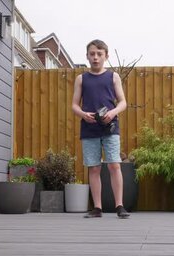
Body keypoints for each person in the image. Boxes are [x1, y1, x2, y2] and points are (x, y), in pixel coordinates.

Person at [72, 39, 130, 219]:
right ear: (87, 56)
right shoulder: (81, 78)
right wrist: (83, 114)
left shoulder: (113, 77)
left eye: (99, 54)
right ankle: (97, 208)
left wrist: (112, 113)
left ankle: (119, 206)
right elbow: (74, 105)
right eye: (92, 54)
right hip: (89, 129)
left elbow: (123, 102)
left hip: (110, 127)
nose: (95, 57)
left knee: (114, 165)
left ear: (106, 56)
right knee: (94, 168)